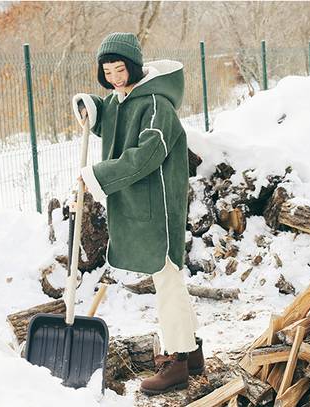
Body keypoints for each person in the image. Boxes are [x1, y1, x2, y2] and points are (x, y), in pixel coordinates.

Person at [72, 32, 204, 395]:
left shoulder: (158, 105)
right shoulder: (123, 98)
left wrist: (96, 175)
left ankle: (178, 361)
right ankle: (192, 354)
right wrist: (91, 108)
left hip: (159, 205)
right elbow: (114, 118)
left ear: (134, 67)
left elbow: (146, 154)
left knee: (167, 277)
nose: (115, 78)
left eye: (120, 70)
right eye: (108, 72)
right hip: (141, 203)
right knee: (169, 276)